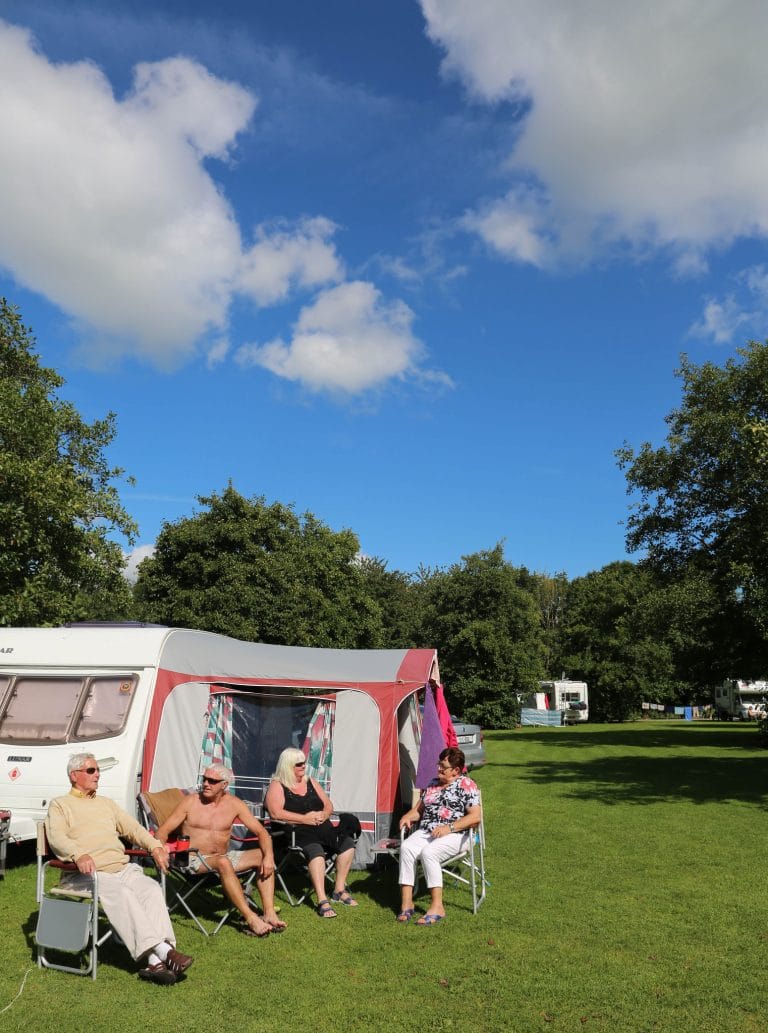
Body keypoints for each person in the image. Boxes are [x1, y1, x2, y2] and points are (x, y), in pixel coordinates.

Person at [46, 752, 193, 985]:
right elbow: (56, 837)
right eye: (91, 770)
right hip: (85, 874)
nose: (98, 775)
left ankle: (157, 960)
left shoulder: (106, 804)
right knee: (122, 893)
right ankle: (164, 952)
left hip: (121, 869)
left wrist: (155, 846)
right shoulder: (60, 805)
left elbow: (133, 829)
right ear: (74, 776)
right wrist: (78, 854)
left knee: (151, 889)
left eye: (97, 770)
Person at [154, 763, 286, 936]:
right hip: (194, 860)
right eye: (204, 779)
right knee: (223, 861)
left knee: (261, 855)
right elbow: (162, 831)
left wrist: (269, 857)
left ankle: (269, 913)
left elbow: (262, 832)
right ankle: (251, 918)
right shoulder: (190, 802)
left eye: (212, 781)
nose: (206, 784)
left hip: (222, 857)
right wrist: (160, 848)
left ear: (224, 785)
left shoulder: (234, 804)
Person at [264, 747, 359, 918]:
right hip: (296, 832)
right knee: (316, 850)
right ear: (288, 766)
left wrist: (325, 813)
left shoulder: (310, 781)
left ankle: (338, 890)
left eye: (304, 762)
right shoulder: (277, 785)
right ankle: (322, 899)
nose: (303, 766)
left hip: (323, 827)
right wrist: (304, 819)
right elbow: (276, 813)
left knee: (347, 844)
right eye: (298, 764)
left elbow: (328, 804)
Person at [397, 746, 481, 925]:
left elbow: (475, 817)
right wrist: (407, 816)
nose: (438, 769)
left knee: (429, 853)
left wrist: (449, 828)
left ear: (456, 770)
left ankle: (437, 907)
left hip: (459, 834)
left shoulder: (467, 785)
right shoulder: (432, 784)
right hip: (428, 831)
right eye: (438, 764)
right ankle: (407, 902)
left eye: (443, 766)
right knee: (407, 847)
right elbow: (419, 810)